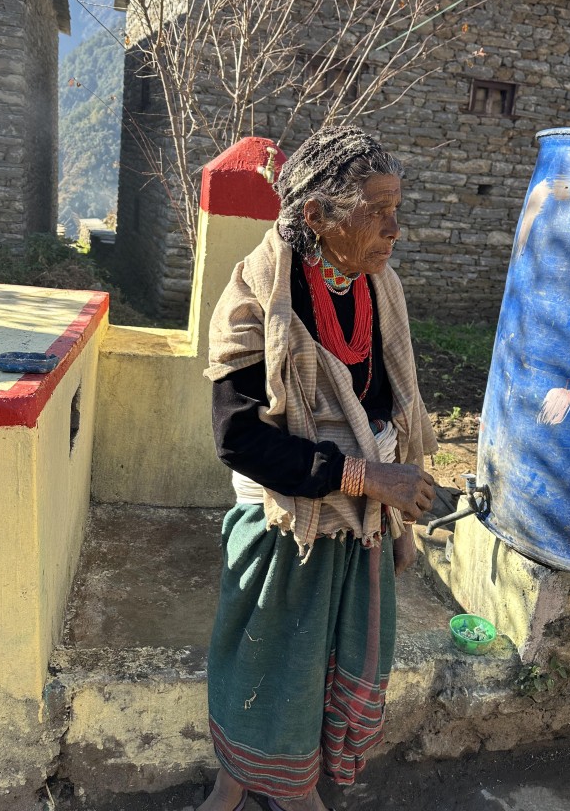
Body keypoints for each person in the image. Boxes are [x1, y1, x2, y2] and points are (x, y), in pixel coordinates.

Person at [202, 125, 439, 811]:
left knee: (328, 670)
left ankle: (293, 787)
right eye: (378, 210)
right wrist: (366, 480)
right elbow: (240, 440)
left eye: (398, 208)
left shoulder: (379, 288)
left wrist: (397, 520)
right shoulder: (256, 301)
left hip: (360, 529)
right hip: (285, 526)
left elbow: (394, 414)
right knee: (263, 663)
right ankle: (238, 781)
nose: (396, 228)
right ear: (316, 216)